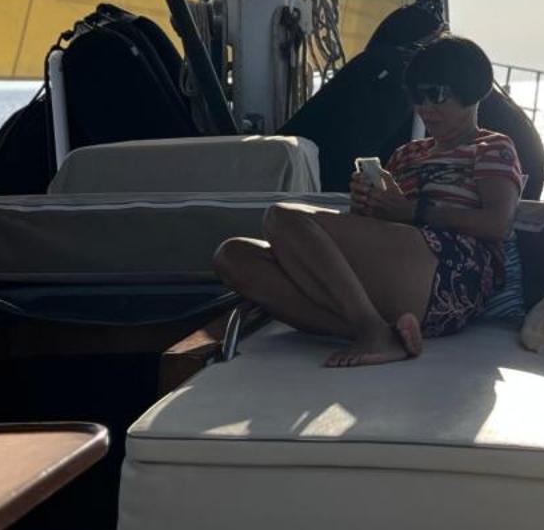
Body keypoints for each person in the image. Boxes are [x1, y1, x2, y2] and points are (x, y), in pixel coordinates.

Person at [214, 35, 524, 367]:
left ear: (471, 90)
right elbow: (382, 228)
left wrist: (410, 211)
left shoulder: (492, 148)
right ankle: (385, 333)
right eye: (416, 97)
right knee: (234, 256)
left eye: (435, 95)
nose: (424, 108)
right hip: (401, 271)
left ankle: (369, 328)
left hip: (454, 274)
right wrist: (367, 208)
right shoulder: (406, 154)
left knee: (281, 217)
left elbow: (498, 224)